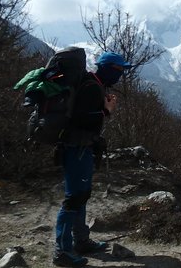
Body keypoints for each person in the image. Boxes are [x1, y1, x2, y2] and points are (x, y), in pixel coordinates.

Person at [53, 51, 132, 267]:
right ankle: (62, 250)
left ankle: (81, 240)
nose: (121, 75)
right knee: (73, 198)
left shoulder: (93, 85)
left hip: (82, 148)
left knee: (82, 195)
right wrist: (106, 111)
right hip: (76, 148)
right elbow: (81, 119)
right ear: (109, 69)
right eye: (119, 70)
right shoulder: (91, 87)